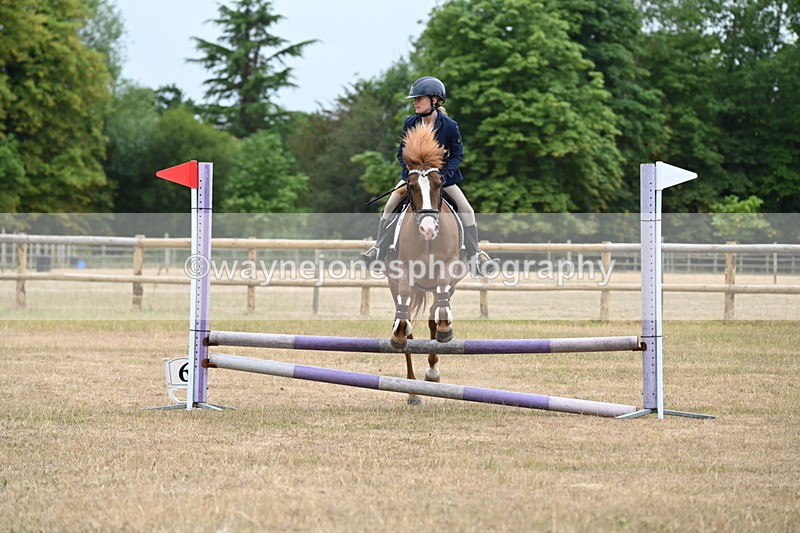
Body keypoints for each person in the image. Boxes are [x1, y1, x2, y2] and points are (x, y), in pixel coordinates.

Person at [359, 76, 497, 273]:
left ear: (435, 100)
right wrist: (411, 174)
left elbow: (457, 155)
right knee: (390, 205)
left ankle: (475, 257)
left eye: (419, 98)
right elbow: (401, 153)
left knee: (467, 209)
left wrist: (443, 176)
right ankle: (379, 252)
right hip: (414, 177)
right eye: (414, 99)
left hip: (441, 178)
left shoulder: (450, 126)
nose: (415, 102)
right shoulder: (410, 123)